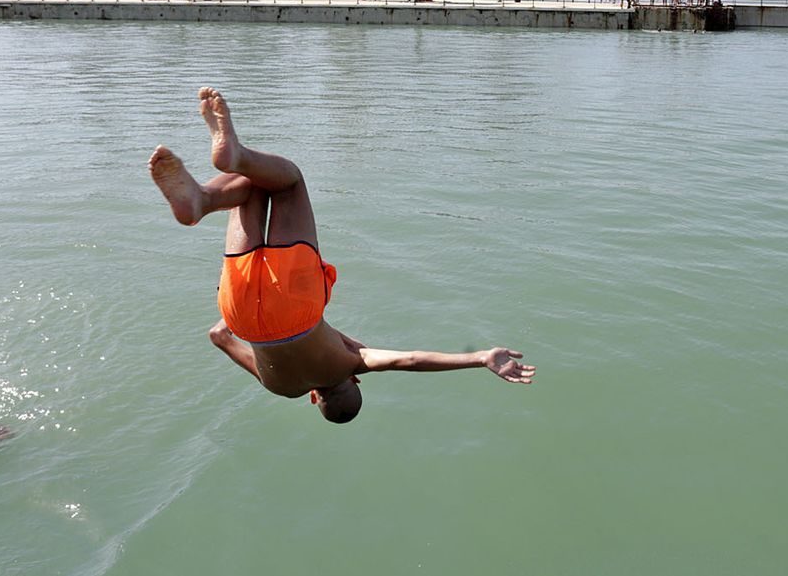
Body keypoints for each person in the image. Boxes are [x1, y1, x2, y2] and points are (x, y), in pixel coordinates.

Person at [149, 87, 535, 424]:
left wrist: (481, 356)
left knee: (288, 183)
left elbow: (410, 360)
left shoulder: (352, 362)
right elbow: (218, 336)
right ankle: (200, 199)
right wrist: (252, 304)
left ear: (354, 381)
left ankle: (221, 175)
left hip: (299, 308)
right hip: (242, 314)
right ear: (313, 398)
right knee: (254, 188)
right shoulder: (281, 388)